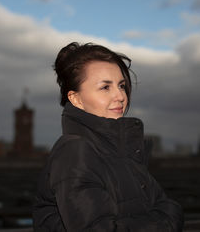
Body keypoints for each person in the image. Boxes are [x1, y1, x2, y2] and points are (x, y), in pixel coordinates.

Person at [33, 42, 183, 231]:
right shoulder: (74, 151)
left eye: (121, 85)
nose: (120, 96)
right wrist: (166, 222)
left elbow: (169, 207)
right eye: (105, 87)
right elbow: (169, 212)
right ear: (76, 99)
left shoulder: (124, 152)